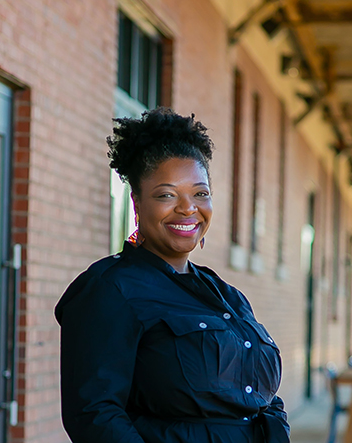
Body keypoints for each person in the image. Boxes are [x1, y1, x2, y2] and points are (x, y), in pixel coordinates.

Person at [55, 107, 290, 443]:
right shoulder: (111, 289)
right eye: (167, 195)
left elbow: (259, 397)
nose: (187, 208)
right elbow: (94, 415)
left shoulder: (229, 297)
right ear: (137, 204)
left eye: (200, 193)